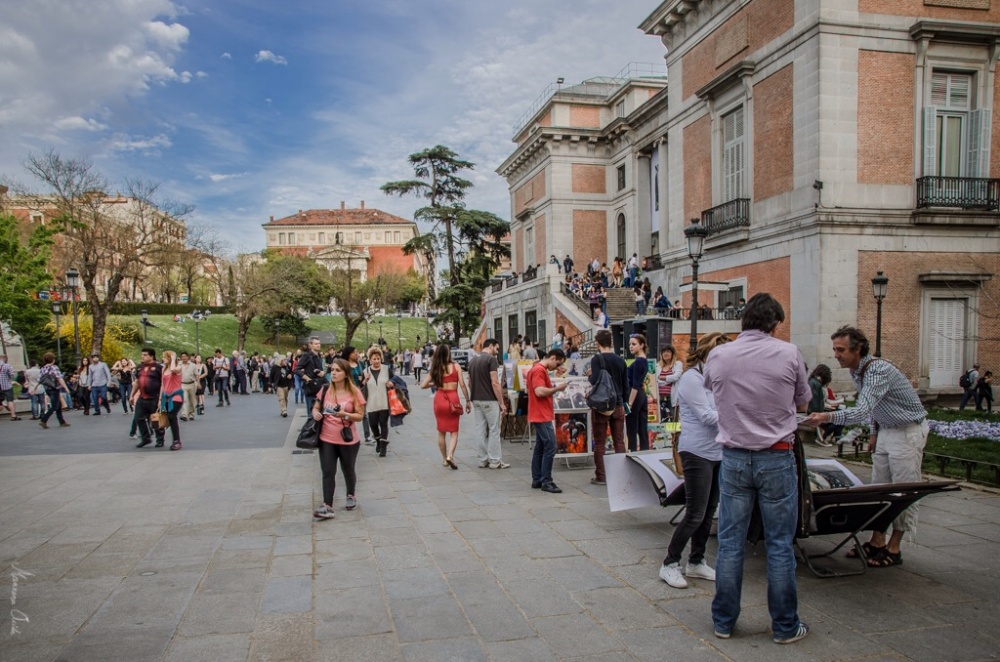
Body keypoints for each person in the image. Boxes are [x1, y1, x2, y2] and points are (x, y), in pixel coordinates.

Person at [705, 293, 811, 644]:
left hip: (734, 457)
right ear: (774, 324)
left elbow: (711, 386)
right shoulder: (789, 353)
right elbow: (803, 400)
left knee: (731, 542)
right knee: (780, 544)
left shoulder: (719, 355)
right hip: (776, 456)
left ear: (743, 320)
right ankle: (784, 626)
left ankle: (723, 621)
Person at [803, 326, 931, 569]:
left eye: (840, 350)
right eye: (834, 349)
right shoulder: (857, 371)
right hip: (886, 430)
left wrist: (826, 418)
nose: (836, 355)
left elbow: (862, 409)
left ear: (857, 349)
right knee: (879, 489)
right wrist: (874, 432)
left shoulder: (878, 371)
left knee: (904, 490)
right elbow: (873, 406)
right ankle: (877, 540)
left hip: (907, 431)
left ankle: (894, 547)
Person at [660, 331, 731, 589]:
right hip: (696, 451)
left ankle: (696, 561)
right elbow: (707, 416)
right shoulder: (692, 378)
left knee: (709, 511)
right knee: (695, 513)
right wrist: (738, 411)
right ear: (706, 354)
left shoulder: (720, 379)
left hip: (717, 451)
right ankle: (669, 563)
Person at [312, 358, 366, 519]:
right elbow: (316, 406)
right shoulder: (325, 389)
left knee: (348, 469)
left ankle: (351, 495)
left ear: (345, 374)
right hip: (326, 438)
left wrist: (345, 414)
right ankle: (327, 505)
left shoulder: (355, 392)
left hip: (348, 440)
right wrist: (315, 413)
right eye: (332, 370)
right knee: (328, 471)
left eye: (337, 370)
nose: (333, 373)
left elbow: (360, 416)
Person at [587, 330, 628, 486]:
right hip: (618, 405)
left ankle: (602, 476)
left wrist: (590, 375)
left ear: (598, 343)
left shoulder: (597, 359)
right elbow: (626, 386)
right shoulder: (620, 360)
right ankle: (620, 474)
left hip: (602, 406)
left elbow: (595, 381)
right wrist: (624, 405)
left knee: (600, 443)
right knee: (619, 441)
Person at [422, 344, 471, 469]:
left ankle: (444, 459)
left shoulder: (436, 368)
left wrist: (435, 384)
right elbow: (463, 385)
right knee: (454, 432)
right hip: (452, 399)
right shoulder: (456, 366)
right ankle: (450, 455)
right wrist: (467, 400)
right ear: (449, 353)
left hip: (439, 399)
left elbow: (423, 385)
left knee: (441, 432)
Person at [527, 349, 568, 493]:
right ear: (553, 357)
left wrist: (555, 377)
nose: (556, 367)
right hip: (541, 415)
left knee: (540, 447)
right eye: (557, 363)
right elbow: (539, 391)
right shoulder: (539, 370)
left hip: (539, 413)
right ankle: (546, 481)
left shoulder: (538, 369)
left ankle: (537, 479)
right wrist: (557, 388)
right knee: (550, 446)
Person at [468, 339, 509, 469]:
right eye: (496, 349)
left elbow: (470, 382)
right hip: (489, 399)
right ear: (490, 346)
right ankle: (495, 460)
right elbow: (495, 382)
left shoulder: (473, 360)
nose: (497, 352)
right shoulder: (491, 360)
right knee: (494, 429)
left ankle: (482, 459)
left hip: (476, 398)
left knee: (480, 429)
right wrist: (501, 403)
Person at [132, 348, 167, 449]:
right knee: (139, 417)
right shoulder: (139, 367)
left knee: (156, 419)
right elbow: (137, 382)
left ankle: (160, 439)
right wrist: (132, 394)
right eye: (142, 354)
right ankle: (146, 437)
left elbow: (163, 384)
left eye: (145, 355)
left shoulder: (159, 368)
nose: (142, 356)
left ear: (151, 356)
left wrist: (161, 399)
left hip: (154, 397)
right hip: (142, 397)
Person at [363, 347, 392, 457]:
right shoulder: (365, 371)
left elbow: (396, 381)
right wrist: (365, 380)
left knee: (383, 424)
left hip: (384, 402)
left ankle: (383, 447)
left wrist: (392, 384)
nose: (376, 361)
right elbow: (360, 388)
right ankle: (378, 440)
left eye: (378, 358)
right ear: (370, 359)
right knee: (373, 425)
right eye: (374, 359)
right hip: (371, 403)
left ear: (381, 358)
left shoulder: (386, 369)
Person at [342, 346, 374, 444]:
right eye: (354, 352)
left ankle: (367, 436)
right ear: (349, 354)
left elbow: (365, 375)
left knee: (364, 414)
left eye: (357, 352)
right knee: (348, 414)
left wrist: (366, 378)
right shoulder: (344, 365)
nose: (356, 354)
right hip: (348, 392)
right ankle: (347, 433)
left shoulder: (360, 364)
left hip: (360, 392)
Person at [625, 334, 650, 451]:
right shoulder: (643, 360)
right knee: (642, 426)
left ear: (641, 345)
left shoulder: (639, 361)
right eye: (630, 344)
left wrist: (629, 404)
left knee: (632, 426)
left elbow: (635, 385)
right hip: (641, 395)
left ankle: (632, 451)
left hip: (635, 395)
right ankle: (644, 451)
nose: (631, 346)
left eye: (634, 344)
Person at [807, 364, 842, 446]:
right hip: (814, 413)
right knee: (839, 418)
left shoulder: (814, 382)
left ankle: (832, 436)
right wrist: (821, 414)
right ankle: (823, 437)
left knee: (840, 415)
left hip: (816, 411)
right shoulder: (815, 384)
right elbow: (815, 403)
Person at [37, 352, 71, 429]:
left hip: (47, 388)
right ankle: (44, 420)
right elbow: (59, 378)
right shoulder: (54, 367)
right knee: (55, 406)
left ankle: (62, 422)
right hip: (55, 388)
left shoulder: (42, 368)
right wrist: (66, 388)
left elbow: (39, 379)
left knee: (58, 405)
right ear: (52, 360)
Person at [158, 350, 184, 451]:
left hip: (176, 396)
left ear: (169, 358)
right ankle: (172, 438)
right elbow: (162, 385)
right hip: (166, 396)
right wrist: (160, 399)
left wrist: (173, 358)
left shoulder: (178, 367)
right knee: (168, 417)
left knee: (171, 416)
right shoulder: (164, 369)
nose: (163, 359)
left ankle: (177, 441)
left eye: (164, 357)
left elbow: (173, 369)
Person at [295, 337, 325, 414]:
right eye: (316, 344)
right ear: (310, 345)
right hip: (310, 387)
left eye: (319, 343)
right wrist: (307, 378)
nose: (318, 345)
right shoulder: (307, 355)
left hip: (319, 385)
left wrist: (322, 372)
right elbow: (297, 369)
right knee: (311, 413)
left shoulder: (319, 356)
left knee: (320, 412)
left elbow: (320, 369)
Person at [656, 345, 683, 422]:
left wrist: (662, 378)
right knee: (660, 421)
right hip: (659, 398)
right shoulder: (658, 366)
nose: (665, 353)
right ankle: (664, 434)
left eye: (668, 351)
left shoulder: (678, 364)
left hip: (672, 399)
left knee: (673, 421)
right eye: (664, 352)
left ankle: (673, 434)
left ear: (672, 354)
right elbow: (655, 380)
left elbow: (676, 377)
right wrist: (669, 379)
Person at [179, 352, 200, 421]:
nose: (184, 358)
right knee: (184, 399)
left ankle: (191, 414)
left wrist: (198, 383)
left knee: (192, 400)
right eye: (182, 356)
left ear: (188, 357)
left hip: (191, 384)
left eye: (185, 356)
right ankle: (184, 414)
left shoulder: (193, 365)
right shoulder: (179, 364)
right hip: (182, 384)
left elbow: (197, 375)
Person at [0, 354, 19, 421]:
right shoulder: (7, 366)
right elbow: (12, 375)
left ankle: (3, 405)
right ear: (5, 358)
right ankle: (13, 415)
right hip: (7, 386)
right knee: (10, 400)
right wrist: (9, 378)